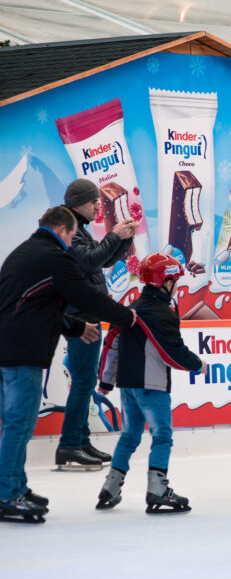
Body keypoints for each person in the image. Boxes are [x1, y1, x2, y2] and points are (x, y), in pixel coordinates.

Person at [0, 207, 136, 523]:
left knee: (14, 424)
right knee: (19, 424)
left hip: (12, 348)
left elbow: (36, 306)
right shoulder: (53, 256)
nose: (72, 241)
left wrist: (76, 327)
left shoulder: (26, 253)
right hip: (22, 353)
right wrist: (126, 317)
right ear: (61, 229)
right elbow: (87, 295)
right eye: (73, 235)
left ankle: (15, 486)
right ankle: (8, 494)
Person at [95, 254, 205, 514]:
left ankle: (110, 487)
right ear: (164, 282)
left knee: (130, 436)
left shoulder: (130, 307)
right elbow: (174, 352)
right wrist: (198, 364)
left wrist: (106, 380)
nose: (176, 285)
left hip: (128, 386)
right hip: (151, 386)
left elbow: (112, 345)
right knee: (162, 436)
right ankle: (157, 489)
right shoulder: (161, 314)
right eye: (174, 280)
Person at [58, 178, 137, 469]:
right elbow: (90, 261)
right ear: (79, 202)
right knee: (82, 383)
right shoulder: (71, 229)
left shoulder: (79, 227)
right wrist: (114, 235)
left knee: (85, 381)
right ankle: (69, 444)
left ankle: (81, 440)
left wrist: (123, 238)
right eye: (93, 202)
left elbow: (101, 261)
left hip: (86, 313)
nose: (97, 207)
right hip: (80, 317)